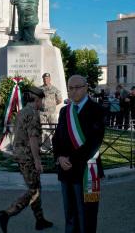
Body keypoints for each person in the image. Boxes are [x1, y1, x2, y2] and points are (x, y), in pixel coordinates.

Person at [52, 75, 105, 233]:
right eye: (70, 88)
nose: (73, 91)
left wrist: (70, 159)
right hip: (66, 171)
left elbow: (93, 142)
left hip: (86, 171)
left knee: (87, 216)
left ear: (86, 87)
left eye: (77, 87)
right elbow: (56, 138)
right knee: (70, 215)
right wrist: (59, 157)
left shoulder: (97, 110)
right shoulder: (64, 111)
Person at [0, 86, 53, 233]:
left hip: (20, 154)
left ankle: (40, 220)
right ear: (37, 99)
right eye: (41, 100)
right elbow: (33, 139)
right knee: (34, 190)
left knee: (36, 187)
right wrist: (37, 160)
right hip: (28, 156)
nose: (42, 104)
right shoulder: (33, 114)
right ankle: (7, 213)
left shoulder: (21, 112)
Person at [39, 73, 62, 151]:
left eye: (47, 78)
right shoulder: (39, 89)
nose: (46, 80)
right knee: (42, 130)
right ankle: (44, 147)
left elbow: (59, 100)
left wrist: (52, 106)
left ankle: (55, 147)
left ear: (50, 79)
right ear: (43, 79)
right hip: (42, 113)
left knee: (54, 129)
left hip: (51, 113)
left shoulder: (54, 89)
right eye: (44, 78)